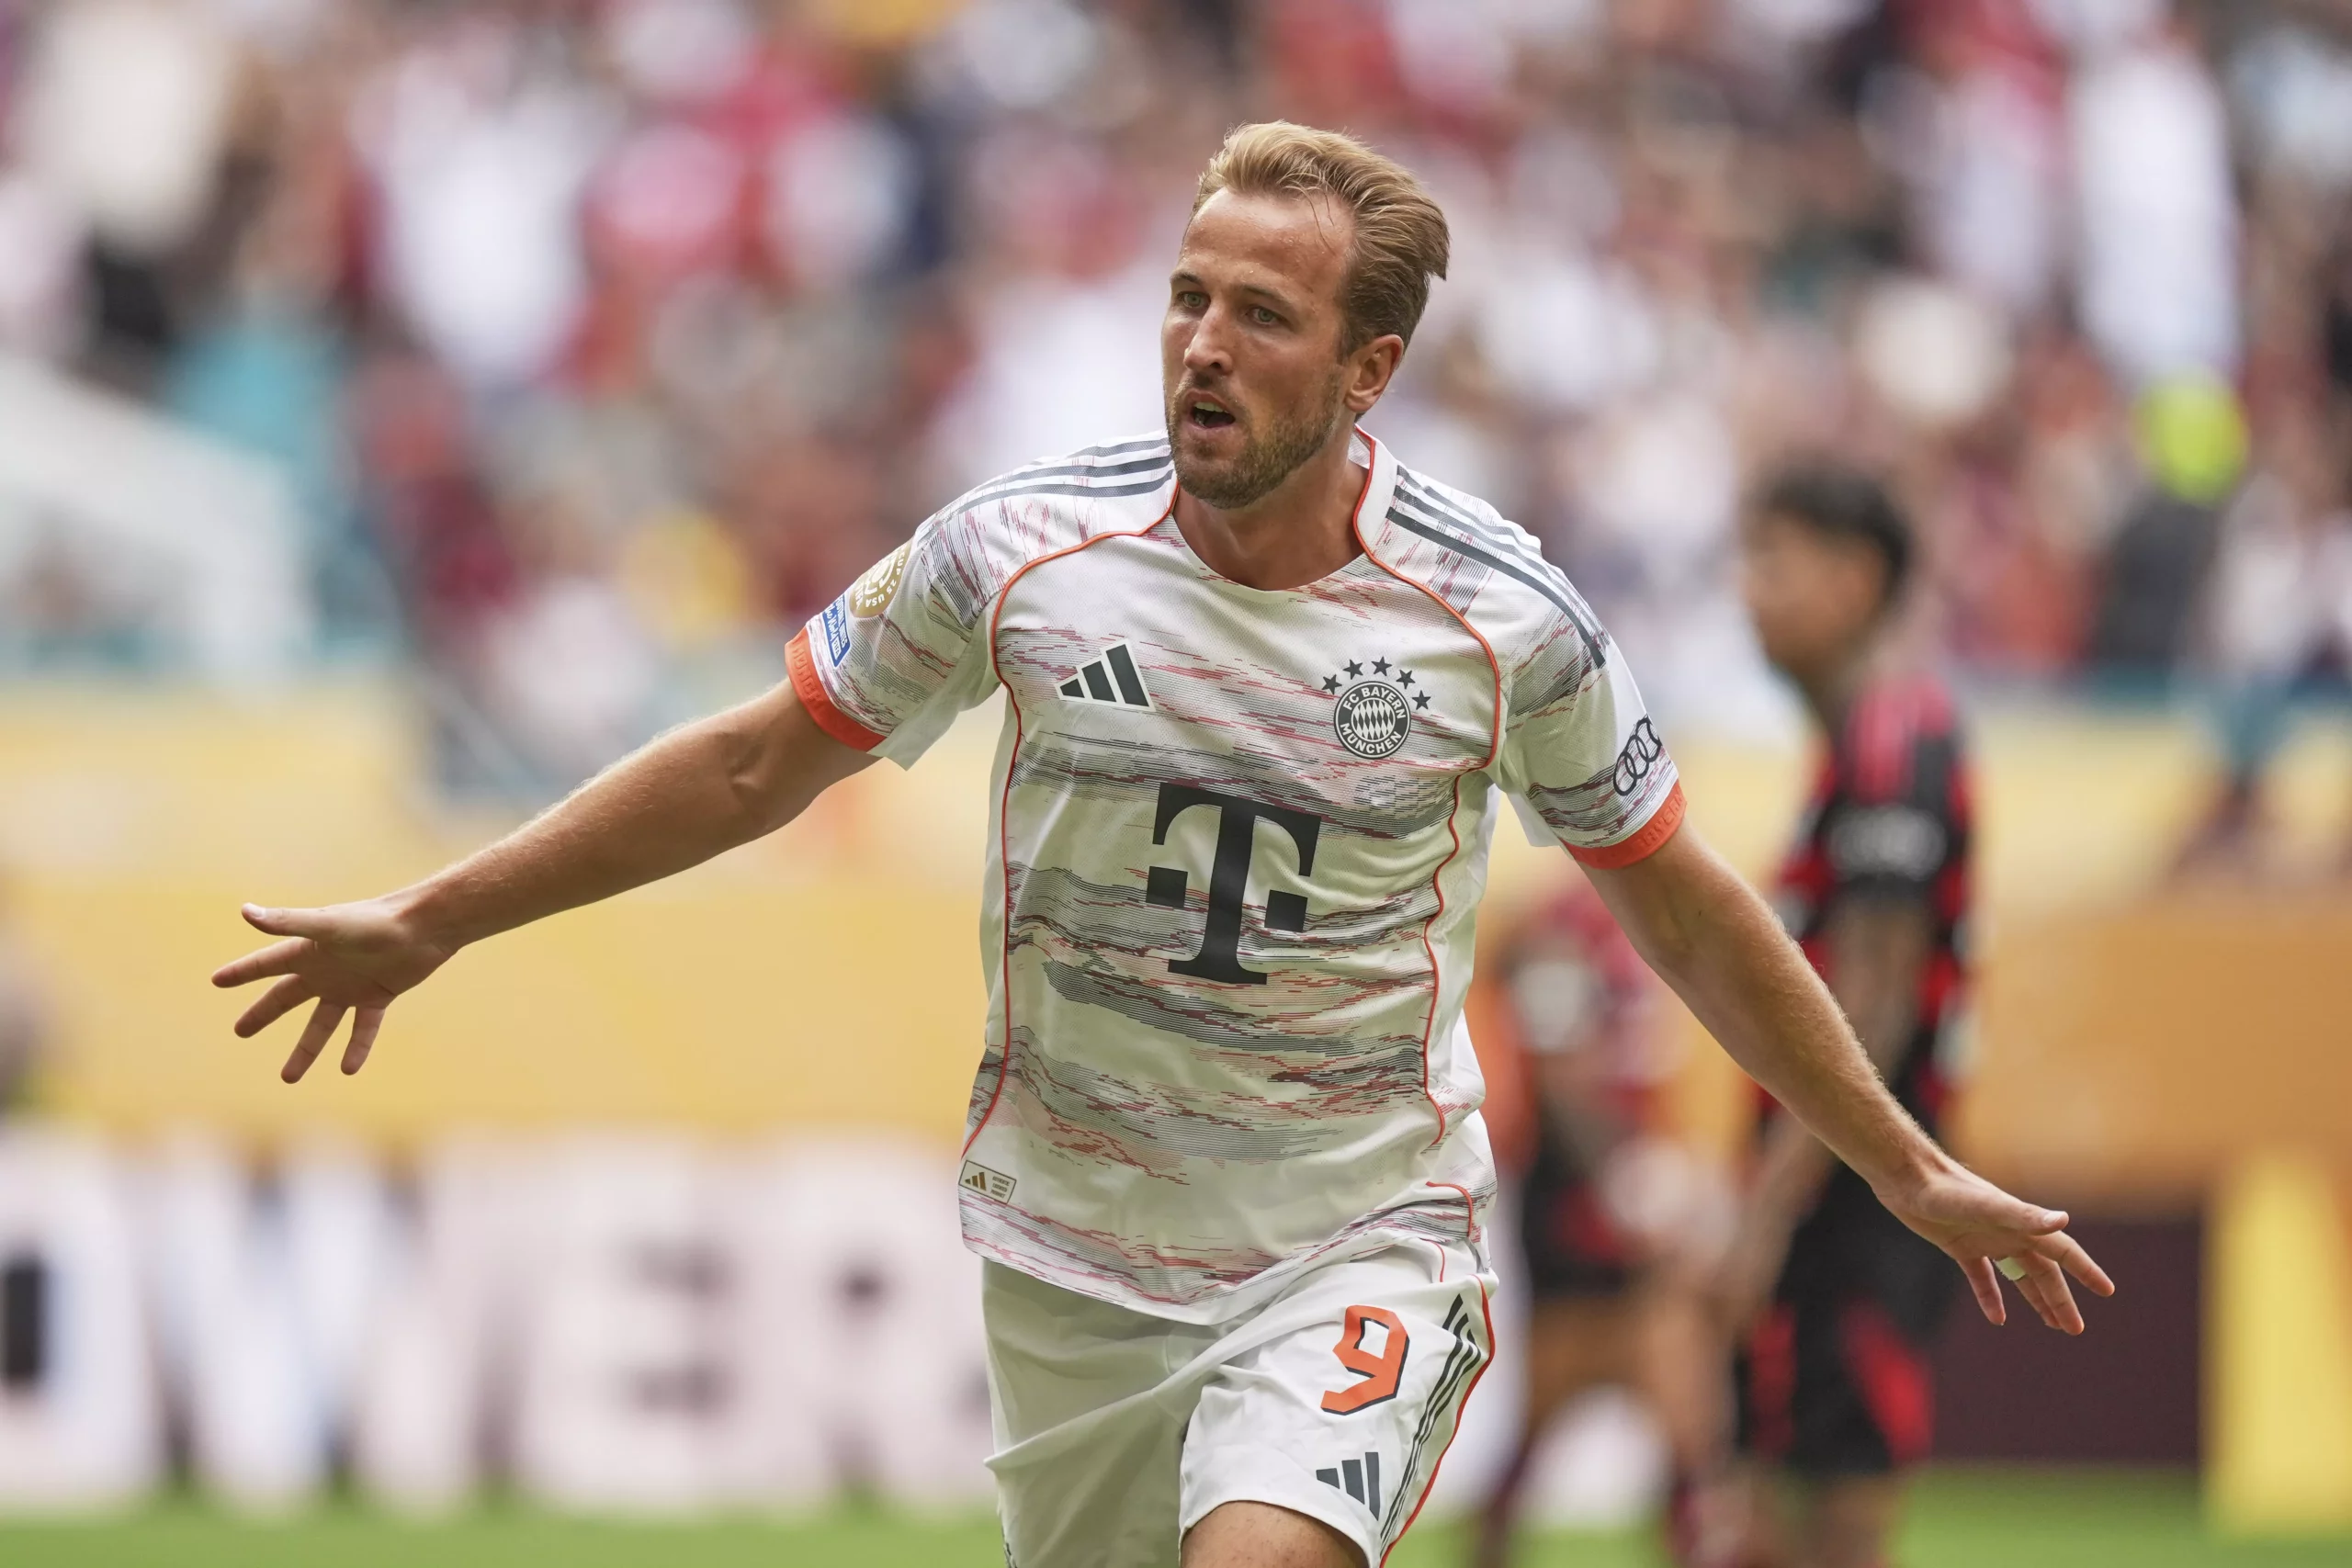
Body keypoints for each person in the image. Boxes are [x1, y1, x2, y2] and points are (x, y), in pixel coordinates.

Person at [213, 124, 2110, 1568]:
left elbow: (1687, 914)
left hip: (1360, 1231)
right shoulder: (1014, 553)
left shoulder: (1498, 618)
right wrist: (434, 916)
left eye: (1259, 316)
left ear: (1365, 372)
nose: (1199, 347)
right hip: (1077, 1254)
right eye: (1184, 300)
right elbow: (743, 768)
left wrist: (1904, 1167)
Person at [1722, 463, 1981, 1568]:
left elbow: (1871, 1007)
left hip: (1858, 1205)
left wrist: (1766, 1211)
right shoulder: (1862, 744)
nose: (1749, 590)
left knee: (1834, 1523)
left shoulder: (1896, 739)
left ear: (1855, 577)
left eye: (1773, 559)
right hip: (1842, 1191)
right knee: (1770, 1516)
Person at [1467, 883, 1735, 1568]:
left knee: (1686, 1443)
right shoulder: (1561, 927)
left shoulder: (1666, 918)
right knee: (1535, 1436)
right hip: (1573, 1227)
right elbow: (1556, 1071)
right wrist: (1622, 1178)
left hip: (1643, 1244)